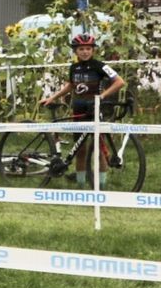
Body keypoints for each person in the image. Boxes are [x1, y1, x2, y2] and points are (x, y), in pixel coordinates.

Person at [40, 32, 125, 189]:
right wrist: (53, 97)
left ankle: (102, 186)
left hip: (94, 111)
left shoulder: (99, 66)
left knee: (99, 150)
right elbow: (70, 86)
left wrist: (102, 96)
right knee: (80, 150)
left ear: (93, 50)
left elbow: (119, 82)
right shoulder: (74, 67)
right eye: (81, 49)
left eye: (88, 48)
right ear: (75, 51)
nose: (85, 52)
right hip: (78, 111)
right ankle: (80, 186)